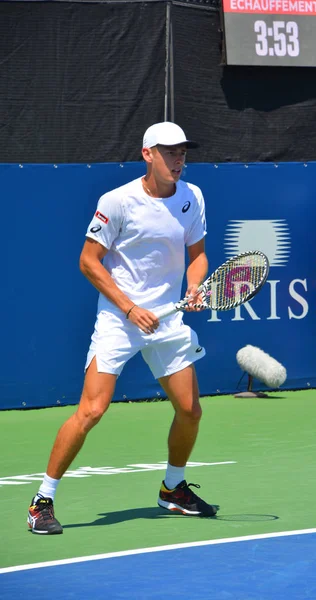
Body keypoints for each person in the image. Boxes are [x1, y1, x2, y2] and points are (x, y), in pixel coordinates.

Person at [27, 121, 217, 535]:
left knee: (190, 411)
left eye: (183, 152)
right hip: (120, 319)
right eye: (170, 152)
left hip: (168, 319)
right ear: (148, 154)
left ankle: (173, 489)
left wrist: (196, 285)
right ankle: (42, 500)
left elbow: (198, 254)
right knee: (92, 410)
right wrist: (131, 309)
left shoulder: (192, 197)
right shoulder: (117, 201)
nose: (179, 160)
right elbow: (88, 261)